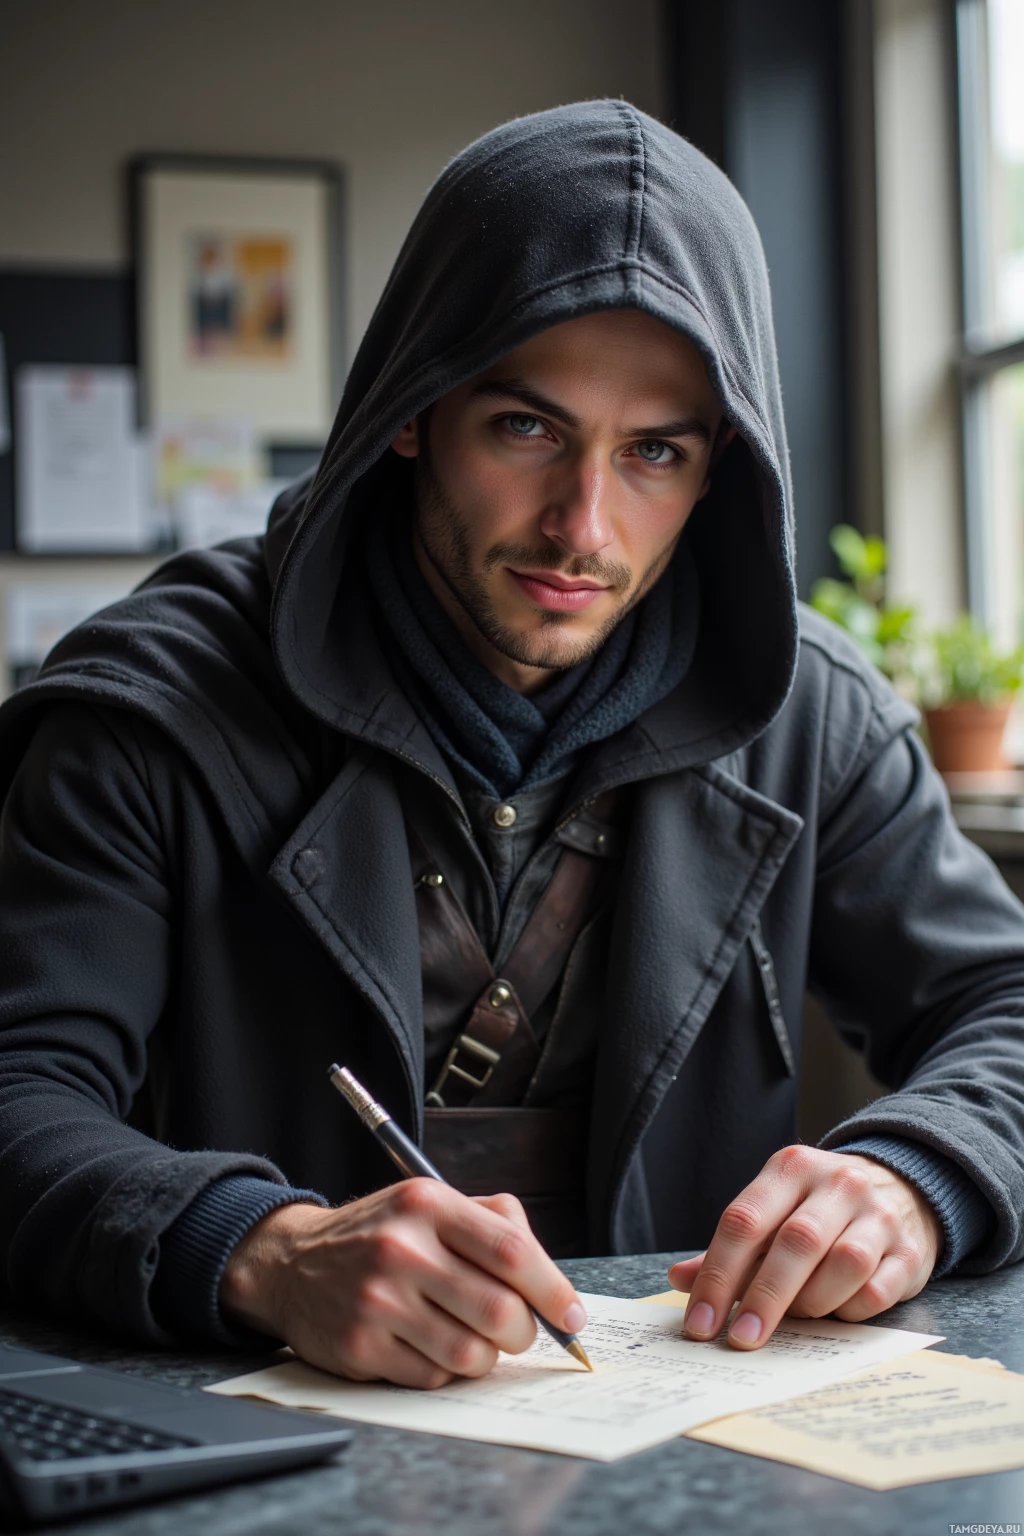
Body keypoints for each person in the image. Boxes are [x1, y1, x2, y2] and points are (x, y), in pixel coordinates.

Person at [0, 102, 1021, 1392]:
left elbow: (1006, 1006)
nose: (581, 528)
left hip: (690, 1448)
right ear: (412, 411)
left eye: (655, 451)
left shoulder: (814, 714)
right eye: (527, 427)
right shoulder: (143, 709)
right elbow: (20, 1095)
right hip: (257, 1448)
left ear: (720, 477)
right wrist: (263, 1249)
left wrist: (913, 1173)